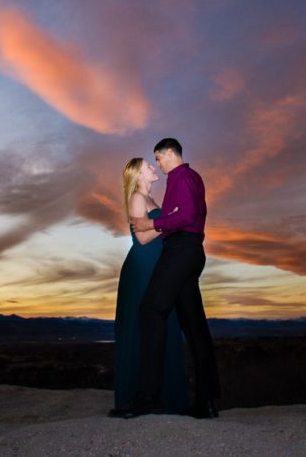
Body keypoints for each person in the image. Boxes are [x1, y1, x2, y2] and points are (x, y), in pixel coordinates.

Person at [124, 138, 220, 419]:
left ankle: (147, 398)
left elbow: (187, 216)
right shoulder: (191, 179)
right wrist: (164, 222)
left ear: (169, 153)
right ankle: (207, 402)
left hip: (180, 251)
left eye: (158, 157)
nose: (158, 163)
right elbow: (190, 215)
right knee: (195, 328)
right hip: (191, 252)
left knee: (151, 310)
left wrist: (153, 223)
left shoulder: (182, 177)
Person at [109, 157, 188, 417]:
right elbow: (141, 238)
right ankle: (138, 397)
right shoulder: (137, 198)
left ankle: (164, 397)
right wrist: (171, 220)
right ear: (138, 175)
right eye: (148, 166)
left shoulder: (153, 200)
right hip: (143, 268)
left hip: (158, 266)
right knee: (143, 328)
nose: (154, 168)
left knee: (165, 325)